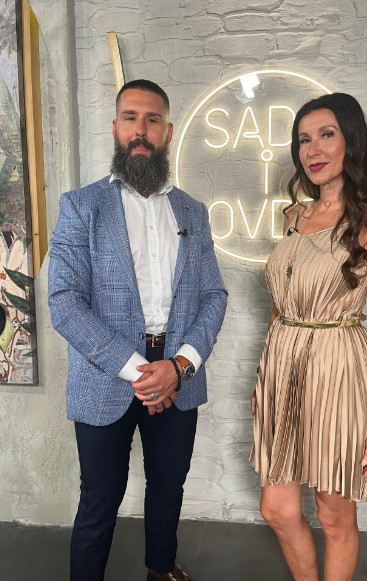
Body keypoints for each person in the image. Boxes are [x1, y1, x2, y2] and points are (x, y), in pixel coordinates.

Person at [48, 79, 227, 581]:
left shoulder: (193, 212)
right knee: (100, 499)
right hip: (105, 377)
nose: (140, 130)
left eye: (152, 120)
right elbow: (64, 302)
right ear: (115, 127)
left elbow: (213, 296)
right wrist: (140, 372)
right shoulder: (81, 206)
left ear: (168, 131)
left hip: (178, 374)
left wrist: (179, 365)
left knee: (169, 487)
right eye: (130, 118)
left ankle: (160, 569)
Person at [249, 92, 367, 581]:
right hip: (283, 368)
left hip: (340, 370)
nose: (312, 150)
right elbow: (281, 304)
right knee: (277, 509)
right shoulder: (293, 217)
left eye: (326, 135)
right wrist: (265, 378)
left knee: (334, 513)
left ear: (351, 141)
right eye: (303, 139)